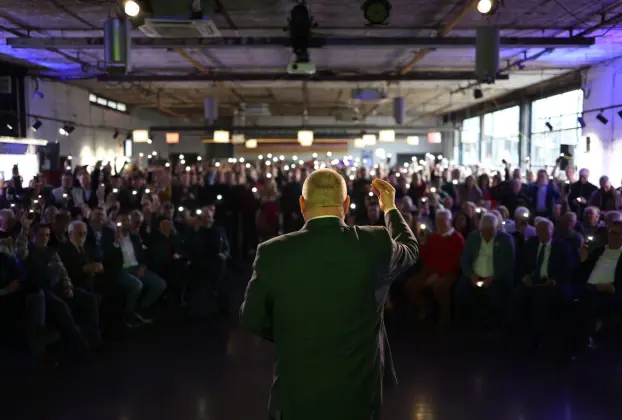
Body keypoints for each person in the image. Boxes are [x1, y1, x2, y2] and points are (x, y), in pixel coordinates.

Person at [240, 170, 418, 420]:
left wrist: (290, 331)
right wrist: (389, 208)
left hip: (296, 397)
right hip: (358, 398)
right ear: (346, 204)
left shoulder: (272, 252)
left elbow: (251, 318)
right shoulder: (375, 241)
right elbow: (410, 249)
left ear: (302, 204)